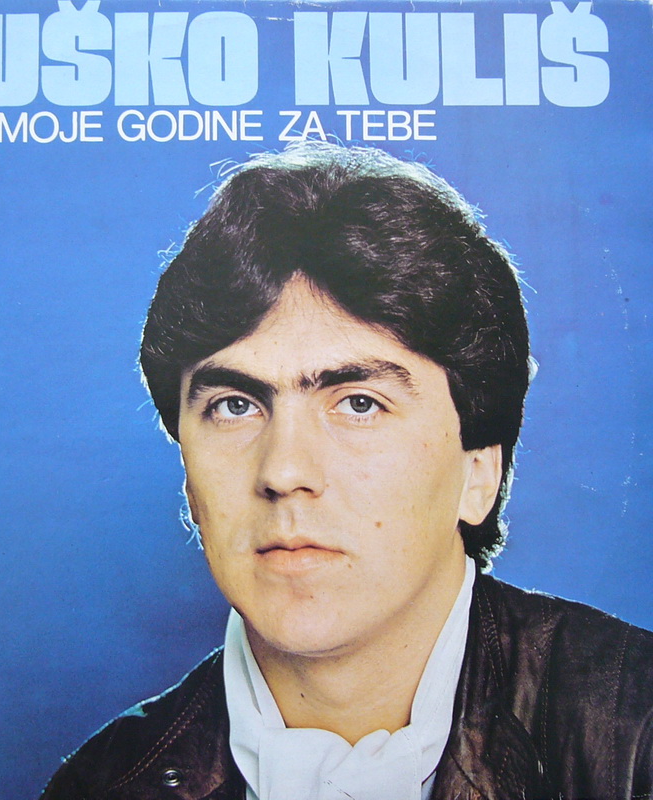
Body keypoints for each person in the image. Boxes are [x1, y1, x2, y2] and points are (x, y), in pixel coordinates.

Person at [40, 142, 653, 800]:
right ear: (190, 476)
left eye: (360, 403)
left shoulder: (635, 732)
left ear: (479, 470)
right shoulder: (100, 785)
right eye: (235, 405)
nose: (283, 471)